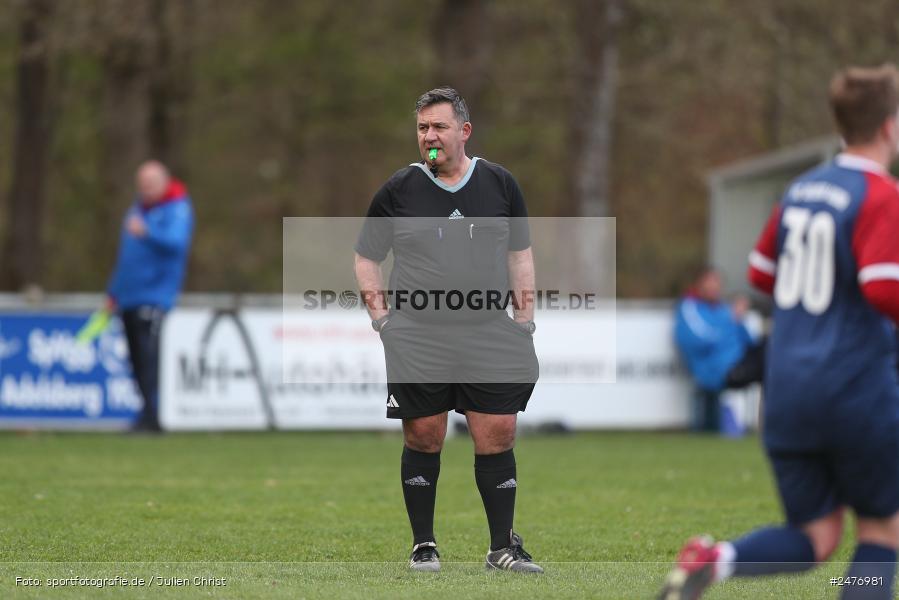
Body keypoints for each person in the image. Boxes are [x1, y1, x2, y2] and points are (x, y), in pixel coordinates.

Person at [659, 64, 899, 600]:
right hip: (853, 389)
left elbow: (763, 274)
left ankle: (713, 563)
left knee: (815, 537)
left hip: (787, 391)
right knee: (883, 532)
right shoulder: (882, 196)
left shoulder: (801, 190)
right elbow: (884, 289)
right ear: (888, 126)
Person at [354, 87, 543, 573]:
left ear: (465, 131)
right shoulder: (399, 190)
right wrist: (381, 319)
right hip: (418, 334)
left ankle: (502, 546)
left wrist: (524, 319)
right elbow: (366, 258)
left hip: (487, 330)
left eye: (438, 127)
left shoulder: (501, 184)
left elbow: (519, 255)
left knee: (498, 431)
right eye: (422, 128)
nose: (429, 137)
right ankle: (424, 545)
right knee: (423, 435)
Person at [106, 160, 194, 433]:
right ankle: (145, 413)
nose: (145, 189)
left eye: (150, 183)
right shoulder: (137, 209)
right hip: (128, 296)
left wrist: (148, 232)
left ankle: (154, 415)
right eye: (141, 184)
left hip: (155, 296)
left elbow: (177, 244)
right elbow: (127, 258)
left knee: (150, 357)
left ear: (165, 181)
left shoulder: (177, 209)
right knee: (134, 358)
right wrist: (113, 292)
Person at [674, 267, 764, 431]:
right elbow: (697, 340)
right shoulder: (689, 308)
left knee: (768, 351)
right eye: (711, 282)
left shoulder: (724, 309)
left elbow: (749, 340)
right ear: (700, 284)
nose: (715, 287)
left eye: (718, 283)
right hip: (712, 369)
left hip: (737, 363)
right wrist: (731, 320)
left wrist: (738, 320)